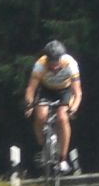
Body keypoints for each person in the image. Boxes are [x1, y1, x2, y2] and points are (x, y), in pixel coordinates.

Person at [23, 40, 82, 174]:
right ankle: (44, 147)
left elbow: (78, 92)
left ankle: (62, 159)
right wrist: (29, 104)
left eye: (56, 62)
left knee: (62, 117)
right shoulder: (40, 65)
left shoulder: (71, 64)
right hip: (47, 90)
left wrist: (74, 108)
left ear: (61, 58)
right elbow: (31, 89)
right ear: (46, 59)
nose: (54, 66)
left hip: (65, 91)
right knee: (40, 116)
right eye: (51, 63)